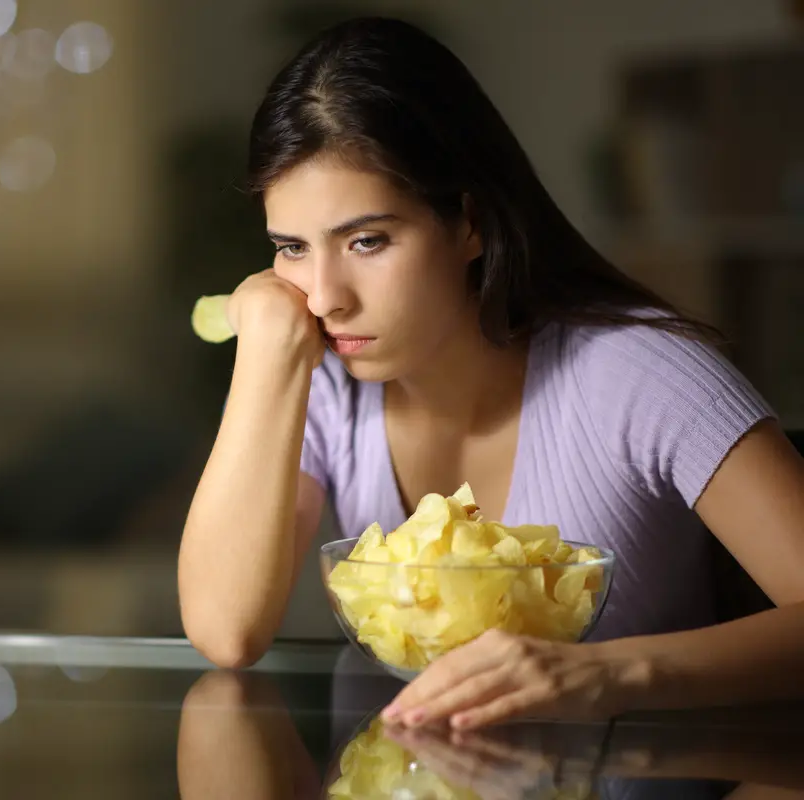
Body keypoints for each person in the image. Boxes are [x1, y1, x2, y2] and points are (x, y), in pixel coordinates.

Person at [177, 17, 804, 729]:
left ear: (468, 222)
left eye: (367, 240)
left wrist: (608, 673)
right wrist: (266, 353)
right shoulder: (321, 384)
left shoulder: (641, 376)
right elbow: (225, 631)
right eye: (291, 247)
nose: (325, 298)